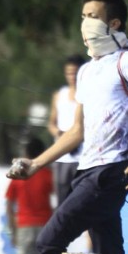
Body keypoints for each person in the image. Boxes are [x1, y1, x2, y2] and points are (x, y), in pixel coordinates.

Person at [6, 0, 128, 254]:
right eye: (83, 17)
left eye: (92, 17)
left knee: (49, 242)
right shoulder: (86, 72)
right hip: (87, 169)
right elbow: (76, 132)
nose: (85, 23)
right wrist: (36, 163)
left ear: (115, 24)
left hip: (111, 171)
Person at [47, 54, 86, 206]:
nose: (72, 76)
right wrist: (58, 133)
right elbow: (51, 123)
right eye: (68, 72)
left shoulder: (89, 94)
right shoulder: (59, 95)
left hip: (82, 156)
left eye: (75, 72)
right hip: (62, 155)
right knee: (62, 202)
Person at [5, 137, 53, 254]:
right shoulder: (48, 175)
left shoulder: (19, 175)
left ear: (26, 153)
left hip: (24, 225)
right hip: (45, 224)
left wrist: (12, 230)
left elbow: (9, 205)